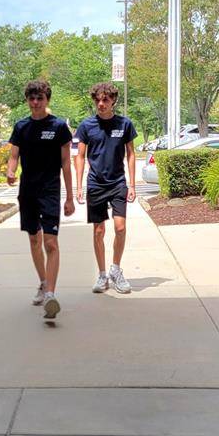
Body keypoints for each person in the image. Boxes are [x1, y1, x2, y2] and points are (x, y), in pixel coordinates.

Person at [7, 79, 75, 319]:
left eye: (40, 99)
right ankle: (43, 282)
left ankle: (51, 295)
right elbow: (14, 155)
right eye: (32, 99)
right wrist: (10, 171)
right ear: (27, 100)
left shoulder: (58, 127)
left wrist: (69, 197)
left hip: (50, 190)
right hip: (28, 191)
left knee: (51, 243)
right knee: (34, 239)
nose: (35, 103)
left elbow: (66, 162)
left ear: (47, 100)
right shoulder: (21, 127)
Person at [75, 82, 137, 294]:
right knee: (99, 231)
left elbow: (130, 154)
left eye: (105, 100)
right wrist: (79, 186)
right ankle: (102, 275)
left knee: (120, 227)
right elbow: (80, 156)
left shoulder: (124, 124)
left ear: (113, 101)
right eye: (98, 100)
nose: (101, 104)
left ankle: (116, 270)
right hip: (95, 183)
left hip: (118, 182)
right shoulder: (86, 126)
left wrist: (132, 184)